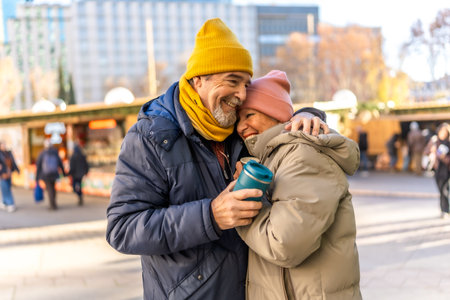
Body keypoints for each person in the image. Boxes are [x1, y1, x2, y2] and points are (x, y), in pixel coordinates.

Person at [106, 18, 328, 300]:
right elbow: (123, 229)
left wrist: (307, 114)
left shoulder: (236, 129)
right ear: (199, 79)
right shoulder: (150, 137)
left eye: (246, 84)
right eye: (233, 82)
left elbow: (276, 112)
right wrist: (210, 216)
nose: (242, 95)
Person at [235, 70, 361, 299]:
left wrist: (240, 206)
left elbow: (284, 245)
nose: (241, 127)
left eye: (249, 115)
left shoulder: (303, 155)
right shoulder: (272, 157)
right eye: (238, 119)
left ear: (275, 114)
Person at [424, 123, 450, 219]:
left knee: (444, 190)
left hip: (447, 170)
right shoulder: (435, 141)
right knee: (441, 190)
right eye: (441, 131)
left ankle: (445, 210)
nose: (442, 133)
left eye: (444, 131)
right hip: (437, 169)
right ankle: (444, 209)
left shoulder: (449, 142)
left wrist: (444, 157)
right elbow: (426, 151)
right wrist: (431, 150)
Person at [36, 139, 66, 210]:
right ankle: (54, 203)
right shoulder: (55, 152)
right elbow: (60, 163)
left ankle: (52, 204)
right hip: (54, 173)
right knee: (53, 188)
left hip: (46, 174)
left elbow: (39, 165)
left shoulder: (43, 153)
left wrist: (37, 177)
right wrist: (64, 173)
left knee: (49, 189)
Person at [0, 141, 20, 213]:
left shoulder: (8, 153)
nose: (4, 146)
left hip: (9, 173)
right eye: (2, 145)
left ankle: (5, 202)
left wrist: (17, 170)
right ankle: (10, 203)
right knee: (5, 189)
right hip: (2, 174)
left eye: (4, 145)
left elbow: (13, 162)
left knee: (7, 188)